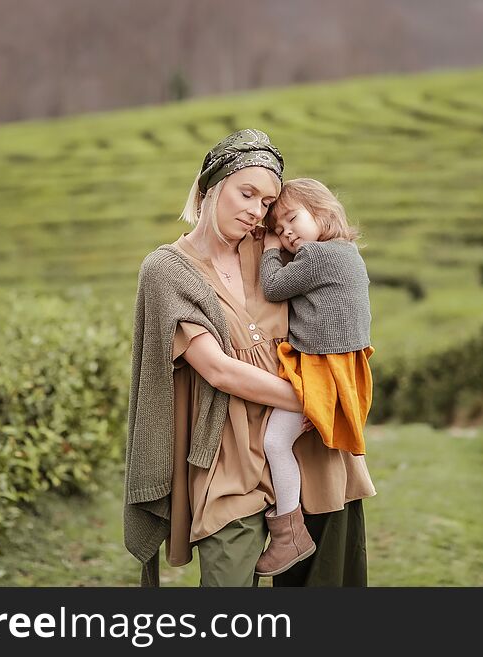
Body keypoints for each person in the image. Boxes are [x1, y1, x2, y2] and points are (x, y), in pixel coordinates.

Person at [123, 129, 376, 587]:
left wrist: (339, 382)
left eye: (267, 202)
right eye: (246, 193)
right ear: (209, 189)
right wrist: (317, 398)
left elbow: (340, 296)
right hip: (230, 453)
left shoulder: (273, 248)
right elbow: (217, 369)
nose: (256, 211)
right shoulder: (167, 270)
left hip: (310, 449)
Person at [254, 178, 375, 577]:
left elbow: (272, 287)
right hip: (340, 369)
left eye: (291, 221)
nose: (286, 233)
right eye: (279, 230)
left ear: (323, 213)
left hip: (321, 369)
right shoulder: (348, 253)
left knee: (274, 440)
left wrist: (270, 250)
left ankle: (288, 530)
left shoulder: (319, 257)